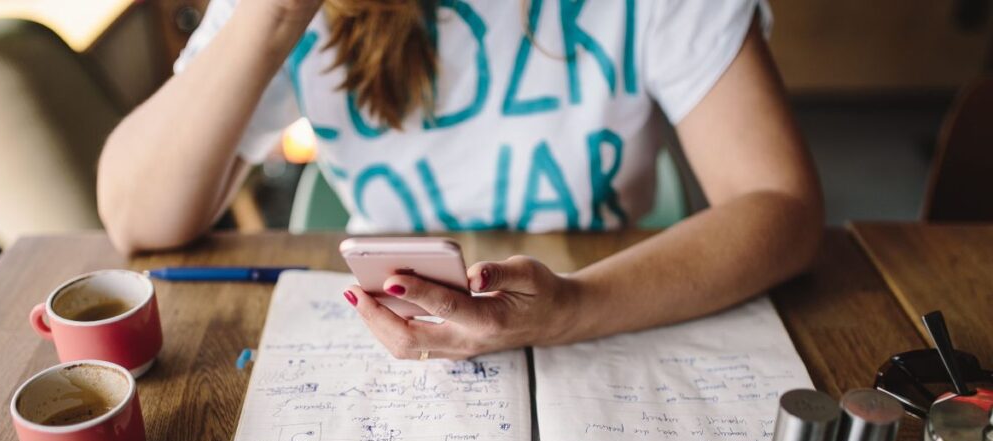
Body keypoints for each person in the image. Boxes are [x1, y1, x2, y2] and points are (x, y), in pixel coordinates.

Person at [97, 0, 822, 361]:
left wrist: (572, 307)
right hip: (395, 361)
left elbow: (783, 205)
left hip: (609, 318)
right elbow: (135, 217)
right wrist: (276, 15)